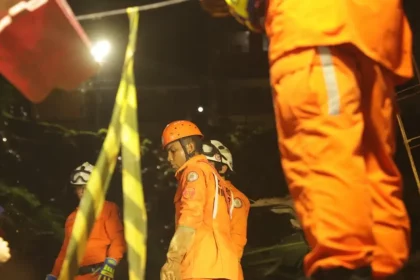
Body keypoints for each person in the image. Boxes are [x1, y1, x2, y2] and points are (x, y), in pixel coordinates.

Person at [200, 1, 413, 279]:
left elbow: (324, 154)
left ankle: (345, 264)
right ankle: (383, 265)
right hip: (363, 25)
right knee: (369, 163)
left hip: (315, 26)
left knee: (321, 148)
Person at [160, 120, 238, 280]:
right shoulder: (212, 174)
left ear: (189, 147)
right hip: (220, 267)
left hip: (200, 267)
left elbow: (190, 217)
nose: (169, 158)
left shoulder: (193, 171)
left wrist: (173, 261)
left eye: (173, 151)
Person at [46, 162, 126, 280]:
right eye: (79, 187)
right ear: (75, 190)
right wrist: (53, 275)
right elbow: (65, 251)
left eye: (87, 186)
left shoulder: (108, 209)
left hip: (99, 275)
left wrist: (111, 262)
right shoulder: (72, 218)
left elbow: (118, 238)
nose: (83, 191)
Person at [202, 140, 250, 280]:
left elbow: (237, 239)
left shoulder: (236, 198)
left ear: (223, 168)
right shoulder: (199, 193)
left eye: (208, 164)